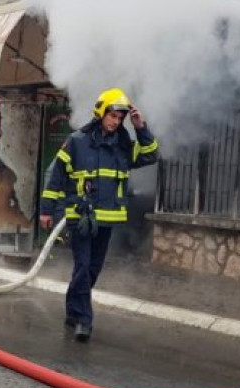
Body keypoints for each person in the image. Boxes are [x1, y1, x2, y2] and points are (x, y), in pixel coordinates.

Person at [39, 88, 160, 342]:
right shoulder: (77, 141)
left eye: (120, 118)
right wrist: (46, 211)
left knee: (93, 269)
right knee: (83, 266)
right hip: (80, 217)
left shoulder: (123, 145)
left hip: (108, 219)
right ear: (101, 113)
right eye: (113, 116)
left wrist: (140, 127)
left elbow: (150, 154)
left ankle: (73, 310)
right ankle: (84, 320)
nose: (116, 121)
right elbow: (56, 177)